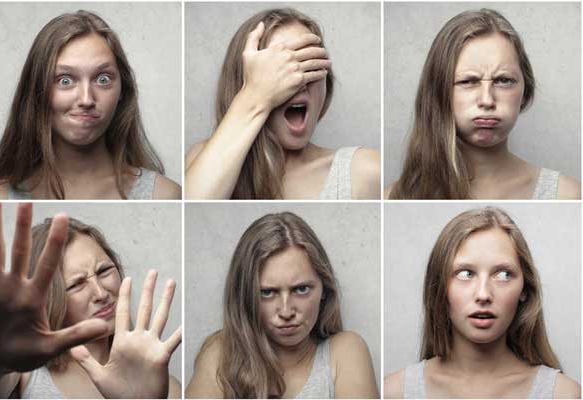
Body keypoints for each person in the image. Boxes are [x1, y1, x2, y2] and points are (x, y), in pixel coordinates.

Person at [0, 203, 182, 398]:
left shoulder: (166, 388)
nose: (101, 293)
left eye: (104, 271)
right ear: (47, 300)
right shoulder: (23, 375)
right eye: (77, 284)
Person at [383, 207, 581, 398]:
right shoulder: (394, 391)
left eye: (503, 274)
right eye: (465, 274)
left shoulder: (564, 394)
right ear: (440, 287)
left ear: (525, 290)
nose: (484, 294)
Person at [185, 8, 380, 200]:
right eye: (280, 68)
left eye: (309, 63)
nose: (297, 80)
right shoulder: (202, 157)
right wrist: (253, 97)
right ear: (244, 81)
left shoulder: (363, 170)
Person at [0, 10, 181, 200]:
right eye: (65, 80)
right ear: (36, 90)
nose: (86, 99)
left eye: (102, 79)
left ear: (123, 91)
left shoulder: (163, 194)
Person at [389, 9, 581, 199]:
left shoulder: (567, 195)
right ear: (439, 91)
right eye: (468, 81)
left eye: (503, 80)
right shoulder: (396, 196)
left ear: (525, 91)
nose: (487, 100)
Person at [187, 212, 378, 398]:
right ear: (245, 295)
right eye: (267, 293)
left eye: (301, 289)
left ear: (324, 289)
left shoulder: (344, 352)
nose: (286, 311)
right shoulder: (221, 353)